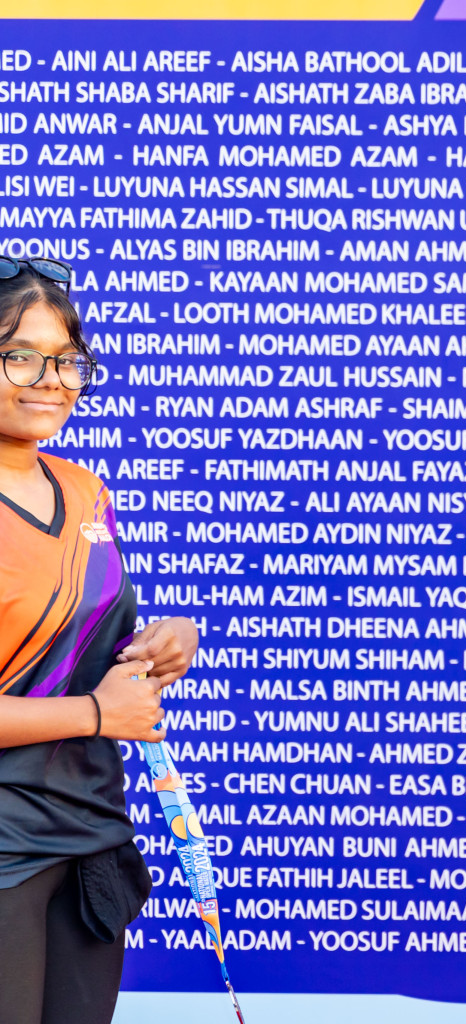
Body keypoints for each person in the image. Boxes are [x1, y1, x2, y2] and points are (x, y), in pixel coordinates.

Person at [0, 257, 201, 1024]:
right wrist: (94, 715)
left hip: (87, 831)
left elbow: (98, 654)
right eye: (20, 354)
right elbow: (92, 703)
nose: (52, 378)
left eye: (68, 358)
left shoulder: (84, 490)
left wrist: (166, 642)